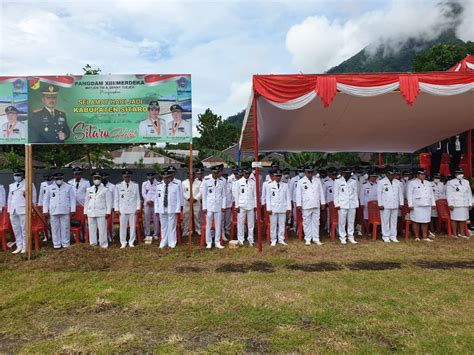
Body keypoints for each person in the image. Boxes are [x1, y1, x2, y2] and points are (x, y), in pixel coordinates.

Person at [43, 172, 76, 249]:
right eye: (57, 179)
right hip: (53, 211)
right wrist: (45, 211)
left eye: (60, 178)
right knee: (55, 228)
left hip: (65, 210)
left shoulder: (68, 187)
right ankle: (56, 244)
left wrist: (73, 209)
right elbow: (46, 200)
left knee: (66, 228)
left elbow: (72, 199)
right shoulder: (49, 187)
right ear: (54, 179)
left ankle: (66, 244)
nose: (59, 180)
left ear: (62, 178)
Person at [8, 169, 37, 254]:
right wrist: (9, 210)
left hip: (24, 209)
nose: (16, 177)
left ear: (23, 175)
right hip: (13, 210)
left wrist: (32, 209)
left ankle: (25, 246)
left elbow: (33, 197)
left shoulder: (28, 184)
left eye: (18, 175)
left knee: (24, 229)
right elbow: (10, 198)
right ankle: (19, 246)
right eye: (15, 175)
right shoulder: (11, 186)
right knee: (16, 229)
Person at [295, 166, 326, 246]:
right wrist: (299, 204)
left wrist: (322, 202)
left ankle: (316, 238)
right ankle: (308, 239)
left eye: (311, 172)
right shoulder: (301, 181)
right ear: (305, 172)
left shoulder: (317, 180)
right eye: (308, 172)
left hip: (316, 204)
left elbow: (321, 192)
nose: (310, 174)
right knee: (306, 222)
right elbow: (298, 194)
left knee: (316, 222)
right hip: (306, 204)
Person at [84, 171, 112, 248]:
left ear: (101, 178)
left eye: (98, 178)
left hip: (101, 212)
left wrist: (108, 212)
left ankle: (103, 245)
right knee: (92, 229)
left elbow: (109, 202)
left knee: (102, 229)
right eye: (95, 178)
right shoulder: (89, 189)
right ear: (92, 179)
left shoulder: (105, 189)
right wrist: (85, 212)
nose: (97, 179)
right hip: (91, 212)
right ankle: (93, 244)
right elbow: (86, 201)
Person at [201, 165, 226, 249]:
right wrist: (204, 207)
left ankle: (217, 242)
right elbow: (204, 195)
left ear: (219, 173)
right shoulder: (206, 180)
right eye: (214, 172)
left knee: (218, 225)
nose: (215, 174)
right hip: (209, 206)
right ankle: (208, 242)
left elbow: (224, 195)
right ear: (212, 172)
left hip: (218, 206)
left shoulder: (223, 181)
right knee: (208, 225)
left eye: (217, 173)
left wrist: (223, 206)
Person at [114, 170, 141, 248]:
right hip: (122, 209)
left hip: (132, 209)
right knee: (122, 226)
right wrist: (116, 209)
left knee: (132, 226)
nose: (127, 178)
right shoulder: (118, 185)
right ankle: (123, 242)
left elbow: (138, 198)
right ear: (123, 177)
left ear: (130, 177)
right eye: (125, 176)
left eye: (128, 176)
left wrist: (138, 208)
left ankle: (131, 242)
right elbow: (116, 198)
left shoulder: (135, 185)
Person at [155, 171, 182, 248]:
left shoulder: (175, 186)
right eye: (164, 178)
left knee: (172, 226)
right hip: (162, 209)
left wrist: (177, 210)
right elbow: (156, 199)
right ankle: (163, 242)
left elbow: (178, 199)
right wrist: (156, 210)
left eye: (167, 178)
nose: (166, 179)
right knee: (163, 227)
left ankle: (172, 242)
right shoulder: (159, 186)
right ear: (162, 178)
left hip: (172, 208)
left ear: (170, 178)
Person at [407, 168, 435, 241]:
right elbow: (409, 194)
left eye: (424, 174)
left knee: (425, 221)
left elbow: (431, 194)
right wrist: (410, 204)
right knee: (416, 220)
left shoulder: (428, 183)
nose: (423, 176)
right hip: (417, 205)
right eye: (422, 174)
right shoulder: (412, 183)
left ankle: (424, 237)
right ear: (417, 175)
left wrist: (433, 203)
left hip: (426, 204)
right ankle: (417, 237)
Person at [333, 167, 359, 245]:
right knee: (342, 222)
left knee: (351, 221)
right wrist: (336, 204)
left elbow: (355, 193)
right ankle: (342, 237)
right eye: (346, 173)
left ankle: (351, 237)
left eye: (349, 173)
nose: (347, 174)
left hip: (352, 204)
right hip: (342, 204)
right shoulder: (337, 181)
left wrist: (356, 203)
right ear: (343, 173)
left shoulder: (353, 181)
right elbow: (336, 194)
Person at [377, 169, 404, 243]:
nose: (392, 176)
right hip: (385, 205)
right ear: (386, 174)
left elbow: (400, 193)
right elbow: (379, 194)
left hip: (395, 204)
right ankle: (385, 236)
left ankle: (393, 236)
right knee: (385, 221)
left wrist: (401, 203)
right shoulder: (381, 182)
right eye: (390, 174)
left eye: (393, 174)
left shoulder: (398, 182)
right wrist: (380, 204)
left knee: (394, 221)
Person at [266, 169, 291, 246]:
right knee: (273, 225)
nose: (278, 177)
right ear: (274, 176)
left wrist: (288, 208)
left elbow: (288, 197)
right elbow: (268, 198)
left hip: (282, 207)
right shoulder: (269, 185)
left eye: (279, 176)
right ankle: (273, 240)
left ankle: (281, 239)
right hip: (273, 208)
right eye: (277, 176)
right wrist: (268, 208)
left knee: (282, 224)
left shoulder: (285, 185)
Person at [446, 169, 472, 239]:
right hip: (455, 203)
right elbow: (449, 194)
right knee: (454, 219)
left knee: (463, 219)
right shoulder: (451, 182)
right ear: (455, 174)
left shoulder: (466, 182)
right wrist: (450, 203)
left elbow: (469, 193)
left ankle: (462, 233)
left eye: (461, 173)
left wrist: (470, 203)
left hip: (464, 203)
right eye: (458, 173)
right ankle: (454, 234)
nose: (460, 174)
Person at [234, 168, 256, 246]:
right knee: (240, 223)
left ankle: (251, 239)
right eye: (246, 173)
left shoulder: (253, 182)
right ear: (243, 173)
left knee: (251, 224)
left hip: (250, 205)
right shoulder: (238, 182)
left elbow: (255, 195)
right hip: (241, 205)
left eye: (248, 174)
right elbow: (236, 195)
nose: (247, 175)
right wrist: (236, 206)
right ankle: (240, 239)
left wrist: (255, 205)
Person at [182, 169, 203, 238]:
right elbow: (183, 192)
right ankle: (185, 231)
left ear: (194, 176)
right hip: (187, 202)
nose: (191, 177)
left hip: (196, 202)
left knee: (197, 216)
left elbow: (201, 192)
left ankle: (198, 230)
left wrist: (196, 198)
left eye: (193, 176)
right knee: (186, 217)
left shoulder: (199, 183)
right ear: (188, 176)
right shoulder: (184, 183)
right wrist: (188, 198)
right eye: (189, 176)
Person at [142, 171, 160, 241]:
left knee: (156, 219)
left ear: (154, 176)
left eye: (151, 177)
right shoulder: (144, 183)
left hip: (155, 203)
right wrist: (148, 200)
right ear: (147, 177)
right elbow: (143, 193)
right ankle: (147, 234)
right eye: (149, 177)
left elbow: (157, 193)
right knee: (147, 219)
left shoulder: (158, 183)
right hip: (147, 204)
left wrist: (152, 200)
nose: (150, 178)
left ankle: (156, 234)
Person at [101, 172, 116, 241]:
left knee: (110, 223)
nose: (104, 178)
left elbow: (115, 197)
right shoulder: (98, 186)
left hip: (110, 208)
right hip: (101, 208)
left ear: (108, 177)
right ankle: (103, 236)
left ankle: (111, 236)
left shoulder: (112, 186)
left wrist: (114, 208)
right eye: (102, 177)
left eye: (105, 177)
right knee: (102, 223)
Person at [289, 166, 304, 232]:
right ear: (297, 172)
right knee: (296, 216)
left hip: (304, 200)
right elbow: (291, 191)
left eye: (302, 171)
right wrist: (291, 201)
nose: (301, 172)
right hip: (295, 200)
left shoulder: (306, 179)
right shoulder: (293, 179)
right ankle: (295, 228)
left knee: (304, 216)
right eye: (300, 171)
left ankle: (303, 229)